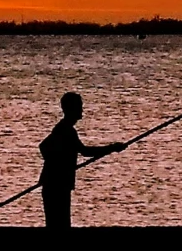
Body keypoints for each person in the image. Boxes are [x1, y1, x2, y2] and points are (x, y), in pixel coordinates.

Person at [38, 92, 120, 231]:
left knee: (57, 224)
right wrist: (112, 148)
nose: (82, 110)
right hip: (57, 184)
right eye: (79, 107)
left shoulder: (64, 129)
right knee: (59, 226)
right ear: (72, 109)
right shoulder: (66, 130)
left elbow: (45, 147)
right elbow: (85, 151)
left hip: (56, 183)